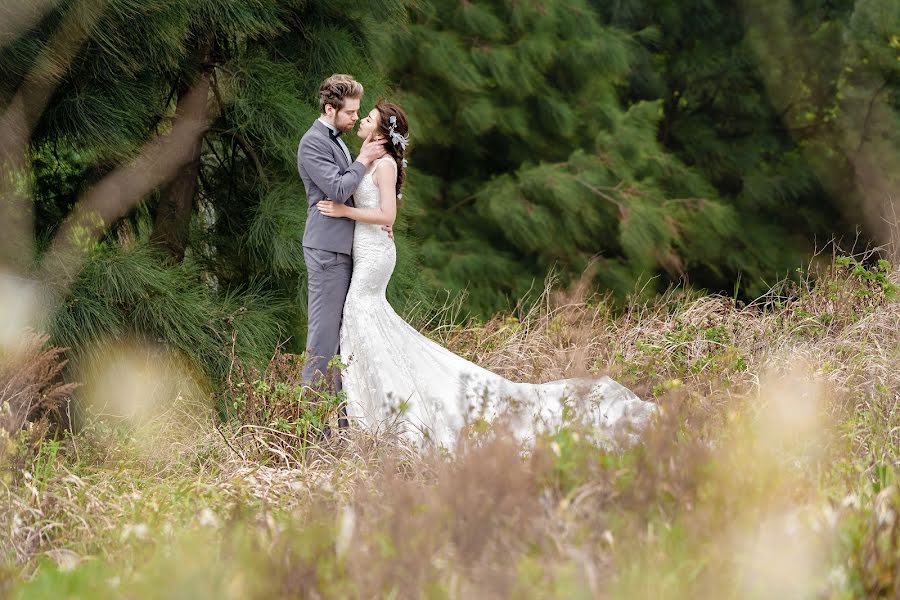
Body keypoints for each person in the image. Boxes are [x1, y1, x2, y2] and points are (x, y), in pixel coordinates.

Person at [317, 102, 655, 449]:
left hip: (374, 256)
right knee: (368, 323)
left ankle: (383, 414)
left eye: (368, 117)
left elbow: (387, 215)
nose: (361, 120)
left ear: (380, 132)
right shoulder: (370, 158)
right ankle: (375, 410)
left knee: (362, 314)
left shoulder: (385, 165)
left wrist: (345, 211)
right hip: (368, 250)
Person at [297, 74, 389, 427]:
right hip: (326, 250)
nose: (355, 118)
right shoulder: (312, 143)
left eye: (357, 112)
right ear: (329, 108)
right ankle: (312, 434)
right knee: (322, 342)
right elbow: (337, 188)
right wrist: (364, 157)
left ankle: (343, 427)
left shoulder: (335, 139)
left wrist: (382, 220)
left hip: (345, 249)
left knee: (341, 341)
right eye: (350, 112)